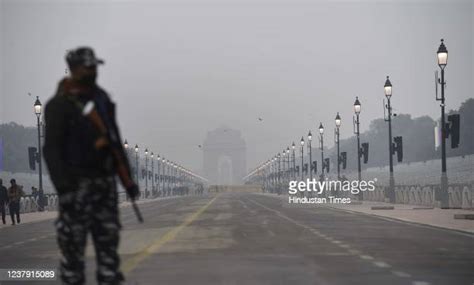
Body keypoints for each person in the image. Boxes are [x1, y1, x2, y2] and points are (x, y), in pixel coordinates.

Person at [43, 47, 139, 285]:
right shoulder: (59, 105)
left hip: (104, 186)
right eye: (89, 66)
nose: (94, 70)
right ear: (75, 69)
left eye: (95, 66)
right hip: (76, 187)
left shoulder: (101, 99)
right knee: (73, 258)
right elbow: (52, 151)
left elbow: (115, 142)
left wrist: (127, 181)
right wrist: (64, 188)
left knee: (109, 257)